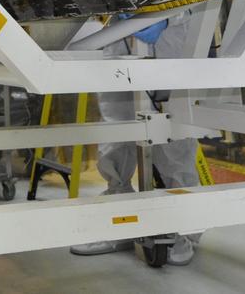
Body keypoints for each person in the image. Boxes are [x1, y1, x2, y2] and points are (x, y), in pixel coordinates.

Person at [70, 14, 200, 264]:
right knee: (117, 125)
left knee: (173, 130)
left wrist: (170, 17)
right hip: (117, 34)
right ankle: (120, 219)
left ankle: (182, 226)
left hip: (170, 36)